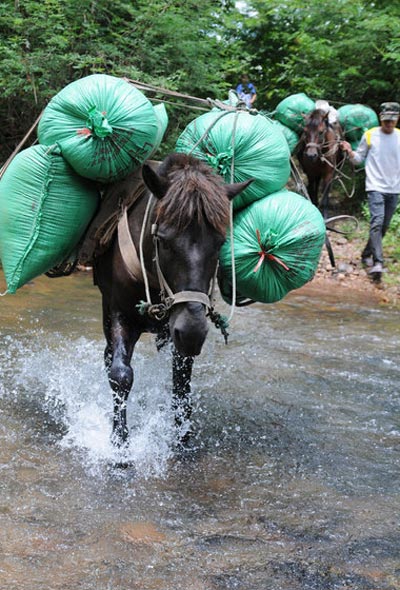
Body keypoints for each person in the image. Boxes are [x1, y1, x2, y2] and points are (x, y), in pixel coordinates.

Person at [341, 101, 400, 280]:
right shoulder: (370, 135)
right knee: (376, 222)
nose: (388, 124)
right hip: (375, 186)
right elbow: (358, 159)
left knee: (384, 226)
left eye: (392, 120)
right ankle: (378, 263)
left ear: (397, 119)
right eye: (385, 120)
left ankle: (366, 254)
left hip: (395, 188)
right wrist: (350, 152)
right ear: (380, 119)